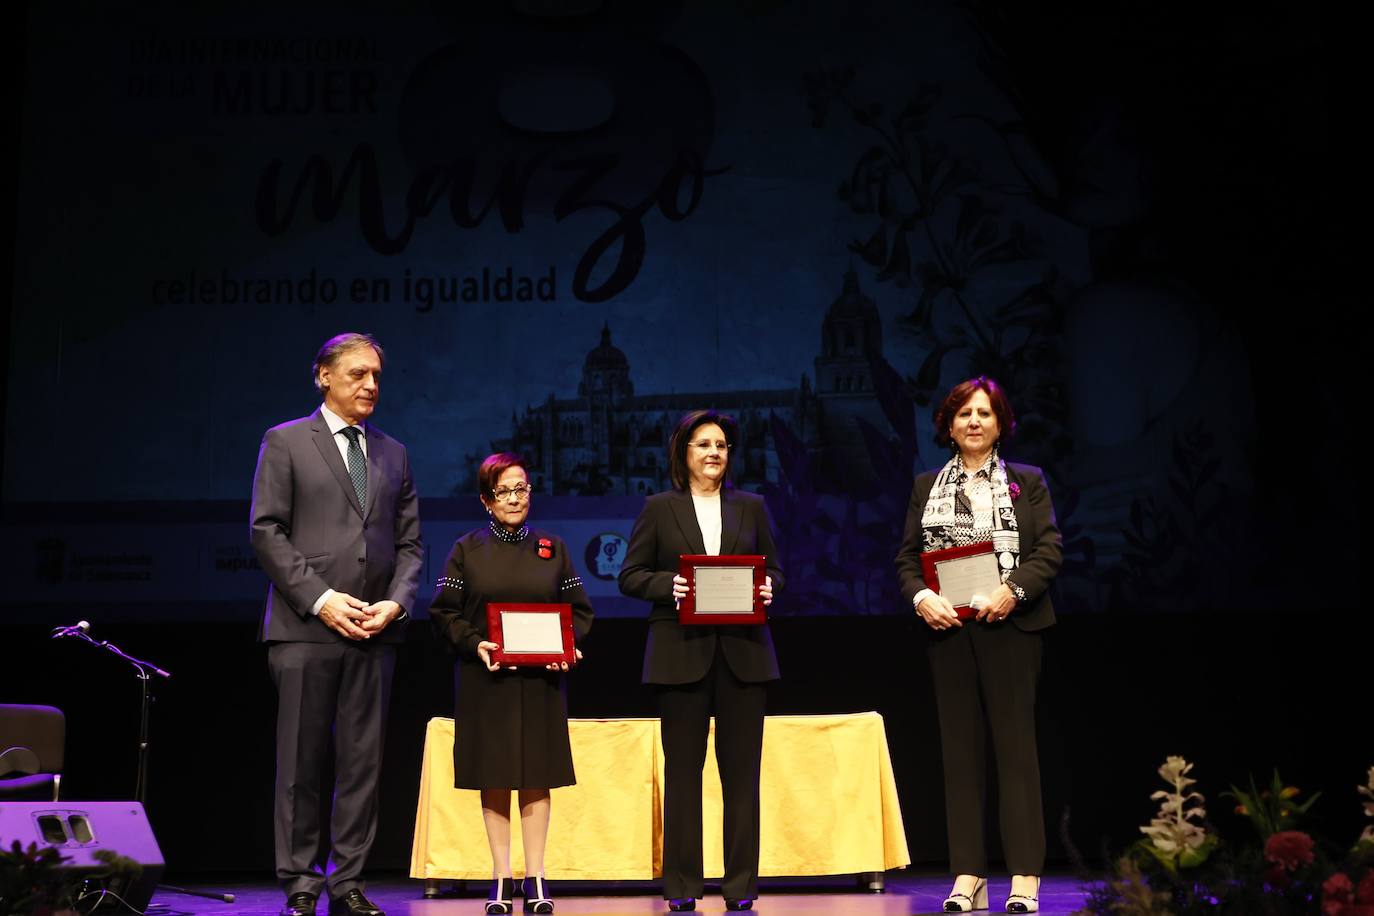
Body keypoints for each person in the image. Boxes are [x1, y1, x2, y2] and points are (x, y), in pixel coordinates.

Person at [250, 332, 423, 916]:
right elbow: (266, 531)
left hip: (375, 630)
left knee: (362, 764)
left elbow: (410, 545)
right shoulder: (286, 441)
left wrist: (395, 604)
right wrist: (321, 598)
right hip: (306, 627)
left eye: (376, 374)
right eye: (357, 374)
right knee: (300, 762)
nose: (371, 385)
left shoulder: (394, 453)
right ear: (323, 375)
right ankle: (300, 881)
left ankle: (347, 881)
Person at [895, 377, 1061, 914]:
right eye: (964, 413)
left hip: (1011, 629)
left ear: (1000, 423)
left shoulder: (1026, 481)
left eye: (984, 413)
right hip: (950, 632)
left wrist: (1013, 592)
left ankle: (1024, 878)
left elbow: (1049, 551)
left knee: (1016, 756)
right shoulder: (926, 486)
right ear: (948, 424)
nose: (973, 421)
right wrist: (921, 596)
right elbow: (906, 559)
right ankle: (968, 876)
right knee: (960, 757)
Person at [618, 410, 782, 913]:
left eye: (722, 445)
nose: (714, 452)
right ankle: (683, 888)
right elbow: (630, 575)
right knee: (683, 775)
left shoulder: (752, 507)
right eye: (703, 444)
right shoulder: (659, 508)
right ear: (683, 454)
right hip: (679, 654)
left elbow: (775, 567)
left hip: (744, 657)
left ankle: (740, 888)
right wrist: (670, 586)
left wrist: (772, 586)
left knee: (742, 776)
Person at [429, 453, 594, 915]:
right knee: (495, 776)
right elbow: (444, 612)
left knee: (537, 777)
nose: (516, 498)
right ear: (486, 500)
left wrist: (569, 647)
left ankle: (536, 877)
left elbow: (579, 612)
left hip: (542, 683)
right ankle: (501, 878)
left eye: (522, 489)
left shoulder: (553, 547)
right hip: (488, 681)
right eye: (504, 491)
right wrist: (476, 644)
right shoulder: (466, 549)